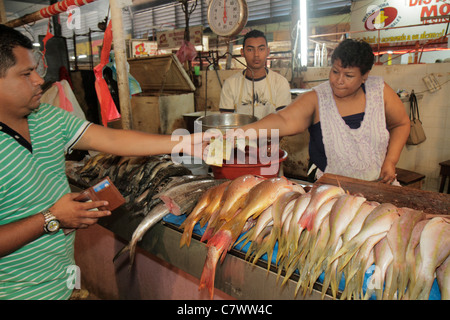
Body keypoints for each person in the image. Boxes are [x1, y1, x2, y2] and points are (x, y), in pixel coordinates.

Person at [0, 24, 202, 300]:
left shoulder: (47, 118)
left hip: (61, 284)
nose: (38, 80)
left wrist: (185, 142)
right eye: (26, 73)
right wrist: (51, 217)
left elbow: (114, 141)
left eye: (36, 69)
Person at [237, 39, 410, 184]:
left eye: (348, 76)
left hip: (378, 184)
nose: (338, 81)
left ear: (365, 76)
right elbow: (283, 120)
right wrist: (237, 133)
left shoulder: (379, 91)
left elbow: (400, 124)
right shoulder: (317, 98)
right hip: (331, 189)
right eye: (335, 71)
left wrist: (391, 161)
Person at [219, 29, 292, 119]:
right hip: (241, 133)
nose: (256, 54)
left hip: (272, 133)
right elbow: (227, 122)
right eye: (250, 49)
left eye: (261, 49)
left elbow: (283, 121)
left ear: (268, 51)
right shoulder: (230, 84)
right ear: (242, 52)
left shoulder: (280, 83)